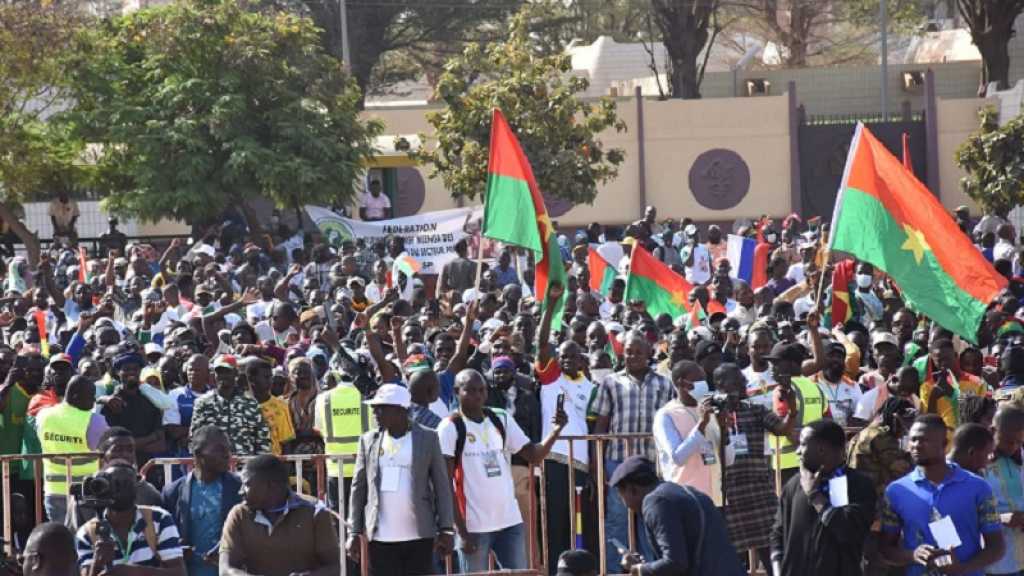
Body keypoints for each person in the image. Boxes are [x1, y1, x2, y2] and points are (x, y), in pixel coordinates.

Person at [438, 368, 568, 573]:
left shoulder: (500, 418)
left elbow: (533, 455)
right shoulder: (449, 427)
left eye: (481, 390)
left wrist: (555, 431)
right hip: (474, 527)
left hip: (510, 522)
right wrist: (461, 532)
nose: (478, 396)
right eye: (470, 390)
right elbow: (445, 485)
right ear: (456, 391)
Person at [346, 384, 455, 576]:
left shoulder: (428, 438)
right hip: (380, 538)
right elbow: (358, 488)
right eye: (374, 408)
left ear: (399, 410)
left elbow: (441, 486)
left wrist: (446, 529)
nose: (375, 413)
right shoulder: (368, 440)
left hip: (419, 536)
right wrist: (354, 532)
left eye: (381, 408)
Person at [879, 414, 1005, 576]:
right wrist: (913, 555)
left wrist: (962, 568)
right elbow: (885, 549)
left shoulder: (978, 487)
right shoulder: (896, 491)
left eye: (924, 440)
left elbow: (997, 547)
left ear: (944, 444)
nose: (916, 445)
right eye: (913, 440)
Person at [591, 331, 674, 568]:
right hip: (617, 461)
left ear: (649, 353)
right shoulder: (610, 382)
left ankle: (650, 569)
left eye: (639, 351)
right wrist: (596, 466)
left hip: (649, 462)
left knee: (651, 518)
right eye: (628, 351)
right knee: (617, 520)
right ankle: (616, 570)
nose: (633, 356)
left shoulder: (664, 384)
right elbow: (601, 425)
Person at [716, 361, 797, 576]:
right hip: (728, 494)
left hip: (758, 489)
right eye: (737, 380)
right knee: (733, 560)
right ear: (720, 384)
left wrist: (792, 407)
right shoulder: (710, 413)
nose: (743, 384)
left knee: (773, 554)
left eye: (743, 380)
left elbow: (782, 429)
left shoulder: (756, 410)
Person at [770, 419, 876, 576]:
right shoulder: (793, 485)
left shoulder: (858, 485)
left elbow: (848, 530)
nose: (797, 451)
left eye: (803, 444)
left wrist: (814, 496)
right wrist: (778, 571)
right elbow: (777, 534)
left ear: (821, 449)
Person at [610, 455, 745, 576]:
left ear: (632, 490)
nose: (625, 504)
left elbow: (675, 563)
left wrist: (639, 570)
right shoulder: (681, 492)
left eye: (622, 496)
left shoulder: (655, 502)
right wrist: (647, 565)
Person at [220, 455, 340, 576]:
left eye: (247, 485)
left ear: (272, 486)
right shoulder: (239, 514)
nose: (240, 491)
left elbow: (335, 567)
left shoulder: (314, 511)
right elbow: (225, 569)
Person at [847, 397, 916, 576]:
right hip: (875, 508)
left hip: (862, 505)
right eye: (906, 422)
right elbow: (902, 468)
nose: (907, 427)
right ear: (894, 417)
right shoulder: (880, 436)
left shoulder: (867, 432)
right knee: (880, 561)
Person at [74, 464, 186, 575]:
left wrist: (133, 572)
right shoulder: (87, 533)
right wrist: (97, 563)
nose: (121, 489)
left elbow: (179, 573)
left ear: (137, 487)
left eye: (127, 483)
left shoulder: (159, 519)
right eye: (115, 484)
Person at [161, 425, 241, 576]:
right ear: (197, 453)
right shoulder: (172, 492)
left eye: (228, 449)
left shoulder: (240, 488)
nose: (227, 455)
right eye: (219, 449)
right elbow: (165, 538)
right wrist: (177, 551)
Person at [653, 360, 733, 505]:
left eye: (704, 379)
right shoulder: (666, 415)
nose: (704, 384)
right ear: (681, 383)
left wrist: (724, 431)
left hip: (715, 499)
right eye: (698, 380)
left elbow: (729, 460)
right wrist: (702, 424)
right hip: (685, 501)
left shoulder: (712, 410)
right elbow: (678, 457)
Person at [36, 376, 108, 524]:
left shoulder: (43, 416)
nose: (94, 400)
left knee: (61, 541)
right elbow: (110, 449)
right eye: (90, 396)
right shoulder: (94, 421)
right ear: (75, 396)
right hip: (87, 492)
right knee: (88, 540)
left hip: (53, 491)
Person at [189, 354, 271, 455]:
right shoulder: (203, 403)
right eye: (219, 372)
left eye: (227, 371)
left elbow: (262, 438)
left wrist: (258, 466)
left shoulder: (250, 403)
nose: (222, 376)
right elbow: (195, 436)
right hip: (213, 465)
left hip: (243, 465)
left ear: (235, 373)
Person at [983, 405, 1024, 576]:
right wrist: (1000, 518)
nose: (1014, 447)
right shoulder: (977, 463)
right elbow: (964, 512)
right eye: (1008, 441)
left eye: (1019, 441)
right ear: (993, 430)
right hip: (997, 564)